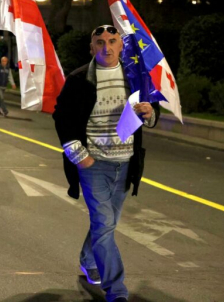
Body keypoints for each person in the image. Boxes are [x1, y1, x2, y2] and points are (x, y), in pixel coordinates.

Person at [53, 25, 160, 302]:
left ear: (121, 46)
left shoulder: (134, 75)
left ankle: (88, 260)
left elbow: (150, 111)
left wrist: (149, 113)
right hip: (94, 164)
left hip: (125, 164)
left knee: (106, 224)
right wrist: (79, 155)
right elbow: (61, 116)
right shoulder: (79, 79)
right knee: (103, 224)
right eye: (100, 42)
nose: (106, 48)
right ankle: (117, 290)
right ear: (92, 48)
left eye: (112, 41)